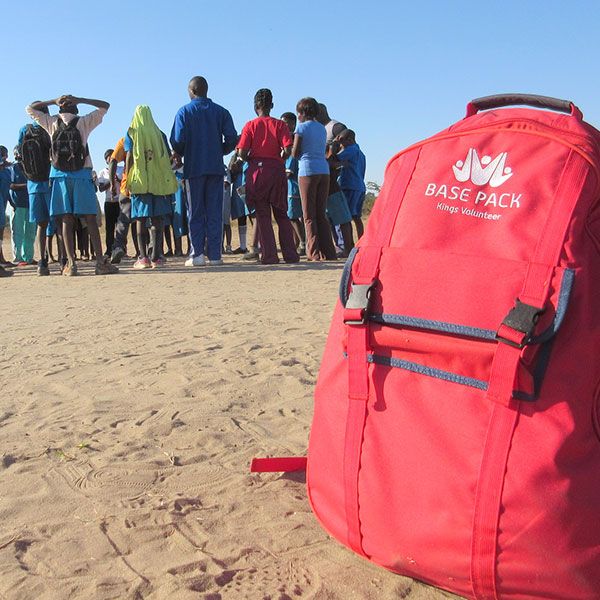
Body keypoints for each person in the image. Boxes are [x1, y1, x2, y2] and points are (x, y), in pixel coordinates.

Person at [26, 94, 118, 275]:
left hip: (59, 176)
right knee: (90, 219)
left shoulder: (51, 123)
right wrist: (80, 99)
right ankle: (100, 262)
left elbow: (30, 108)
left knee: (66, 219)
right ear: (76, 109)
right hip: (82, 175)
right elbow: (105, 105)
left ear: (59, 109)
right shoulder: (83, 122)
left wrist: (53, 101)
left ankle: (71, 263)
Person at [170, 76, 238, 267]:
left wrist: (182, 153)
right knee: (214, 211)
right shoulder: (221, 112)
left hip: (194, 168)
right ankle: (215, 255)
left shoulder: (184, 111)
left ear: (191, 90)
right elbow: (232, 138)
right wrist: (221, 150)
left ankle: (197, 253)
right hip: (216, 168)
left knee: (196, 211)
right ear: (206, 90)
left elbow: (177, 139)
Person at [236, 89, 298, 265]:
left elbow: (242, 152)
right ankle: (290, 255)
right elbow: (288, 149)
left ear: (255, 106)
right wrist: (281, 158)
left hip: (257, 172)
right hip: (276, 170)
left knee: (262, 215)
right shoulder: (280, 125)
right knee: (281, 214)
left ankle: (269, 255)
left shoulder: (250, 125)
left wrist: (250, 158)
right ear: (271, 105)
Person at [124, 105, 177, 269]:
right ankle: (156, 257)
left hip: (140, 181)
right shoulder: (160, 134)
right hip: (159, 181)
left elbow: (129, 157)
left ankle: (143, 257)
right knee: (157, 217)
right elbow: (169, 157)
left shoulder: (132, 132)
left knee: (140, 217)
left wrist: (127, 180)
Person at [17, 108, 62, 275]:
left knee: (40, 225)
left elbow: (20, 155)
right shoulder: (51, 126)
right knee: (59, 222)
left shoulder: (25, 129)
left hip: (33, 183)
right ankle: (63, 260)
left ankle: (42, 263)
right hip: (51, 180)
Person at [292, 97, 337, 261]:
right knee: (321, 214)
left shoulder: (301, 128)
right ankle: (329, 252)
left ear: (302, 113)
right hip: (323, 170)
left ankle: (313, 253)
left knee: (309, 216)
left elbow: (295, 152)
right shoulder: (321, 128)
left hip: (307, 170)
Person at [281, 112, 305, 255]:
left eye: (285, 123)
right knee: (294, 215)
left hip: (294, 187)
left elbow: (289, 171)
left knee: (293, 216)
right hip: (291, 187)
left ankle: (302, 243)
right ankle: (298, 243)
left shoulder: (292, 144)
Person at [336, 129, 367, 240]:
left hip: (350, 186)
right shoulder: (360, 153)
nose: (341, 144)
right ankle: (361, 239)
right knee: (356, 216)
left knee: (345, 217)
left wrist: (335, 145)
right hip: (359, 186)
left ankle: (347, 243)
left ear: (350, 140)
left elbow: (335, 158)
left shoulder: (351, 150)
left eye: (342, 141)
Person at [8, 146, 36, 266]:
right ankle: (18, 258)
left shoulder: (30, 168)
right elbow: (12, 185)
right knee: (17, 232)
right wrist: (28, 185)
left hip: (30, 203)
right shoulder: (13, 168)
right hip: (17, 204)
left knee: (30, 232)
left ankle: (28, 257)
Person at [97, 148, 122, 257]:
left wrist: (118, 180)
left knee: (120, 226)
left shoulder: (122, 169)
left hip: (120, 200)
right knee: (109, 227)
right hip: (109, 201)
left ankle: (120, 247)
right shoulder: (103, 172)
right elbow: (101, 189)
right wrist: (111, 181)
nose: (111, 159)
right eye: (109, 157)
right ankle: (109, 249)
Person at [0, 145, 13, 268]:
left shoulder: (7, 171)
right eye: (3, 154)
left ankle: (1, 257)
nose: (5, 156)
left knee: (1, 229)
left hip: (3, 203)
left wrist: (12, 203)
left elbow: (8, 188)